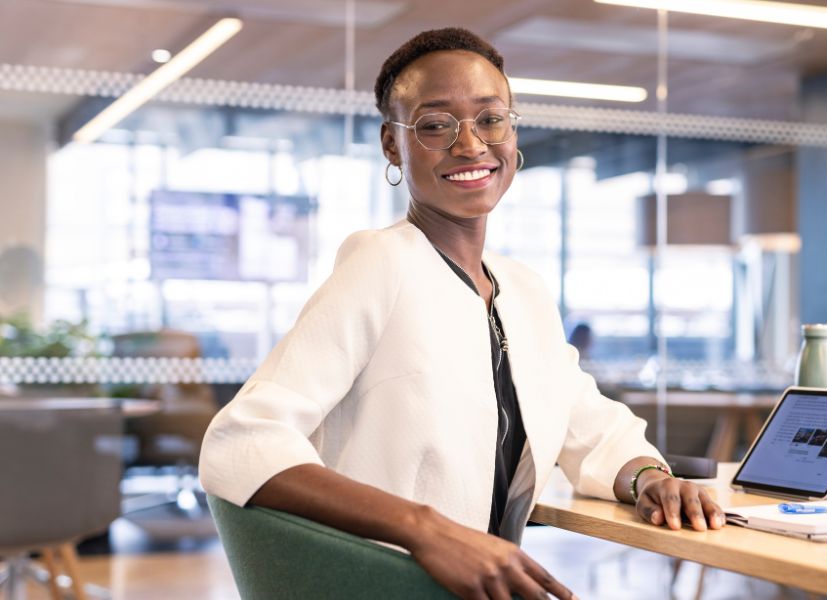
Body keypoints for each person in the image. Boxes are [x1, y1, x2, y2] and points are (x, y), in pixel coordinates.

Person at [199, 27, 724, 600]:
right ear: (392, 146)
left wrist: (652, 478)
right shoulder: (382, 263)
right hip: (396, 583)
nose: (470, 144)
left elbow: (589, 426)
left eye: (491, 118)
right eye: (434, 125)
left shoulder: (521, 290)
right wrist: (426, 529)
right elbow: (243, 439)